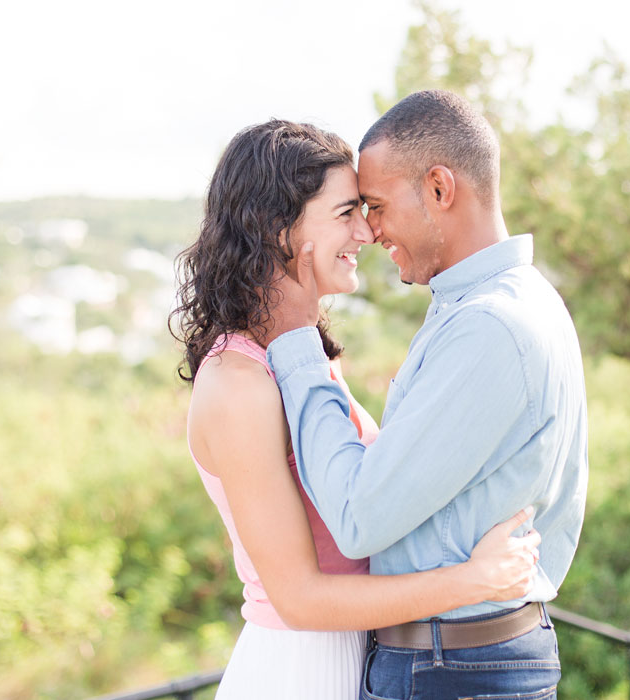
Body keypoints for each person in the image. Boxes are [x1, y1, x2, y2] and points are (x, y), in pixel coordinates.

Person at [170, 119, 542, 700]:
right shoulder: (237, 383)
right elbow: (299, 597)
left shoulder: (306, 359)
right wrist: (472, 581)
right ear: (279, 230)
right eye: (346, 212)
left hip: (362, 659)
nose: (366, 233)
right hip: (299, 673)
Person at [264, 90, 589, 698]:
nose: (370, 229)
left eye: (378, 206)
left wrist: (294, 339)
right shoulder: (512, 304)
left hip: (452, 668)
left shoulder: (489, 326)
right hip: (461, 661)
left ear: (440, 189)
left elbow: (360, 517)